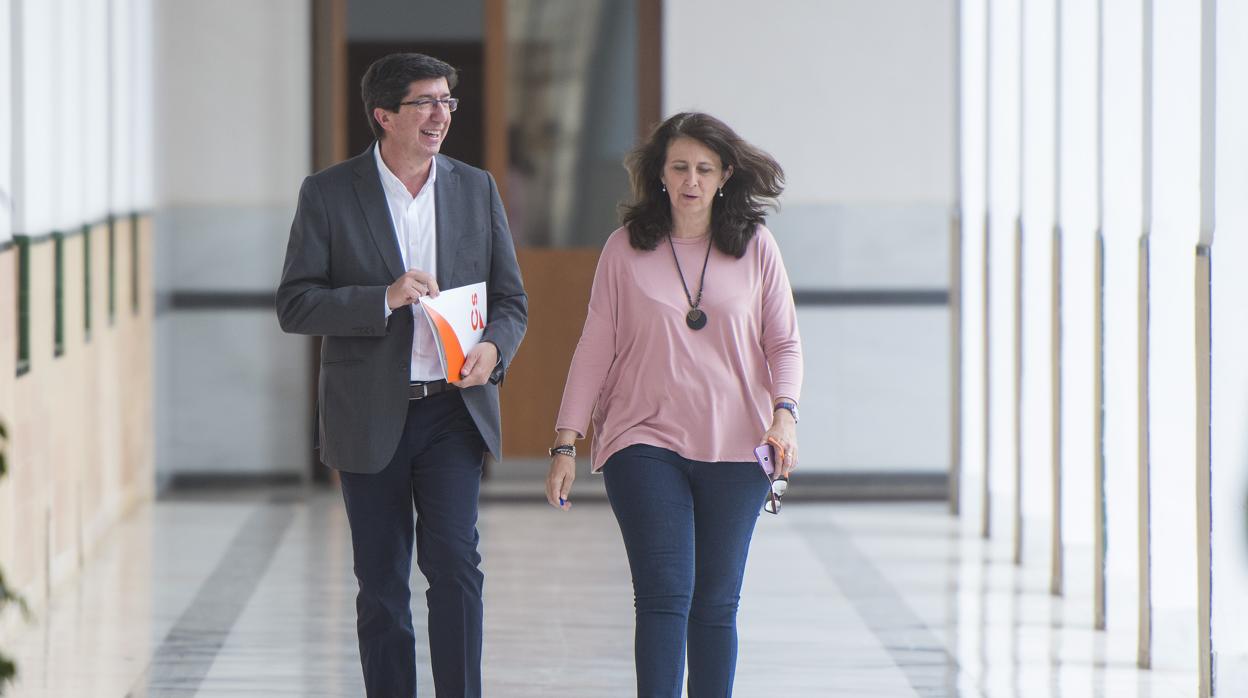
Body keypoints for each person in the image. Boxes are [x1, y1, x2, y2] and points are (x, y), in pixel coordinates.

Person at [276, 53, 527, 698]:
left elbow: (510, 303)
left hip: (452, 410)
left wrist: (495, 351)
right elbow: (296, 304)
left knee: (457, 568)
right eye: (424, 103)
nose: (441, 115)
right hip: (369, 413)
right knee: (382, 582)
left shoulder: (476, 189)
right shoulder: (329, 193)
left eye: (447, 101)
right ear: (383, 115)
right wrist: (380, 298)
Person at [545, 112, 803, 697]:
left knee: (715, 603)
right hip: (643, 440)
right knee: (664, 592)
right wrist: (566, 440)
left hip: (739, 447)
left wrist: (784, 414)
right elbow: (595, 345)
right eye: (680, 167)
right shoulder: (624, 249)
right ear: (660, 174)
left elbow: (783, 341)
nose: (691, 180)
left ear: (725, 175)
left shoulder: (756, 247)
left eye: (704, 169)